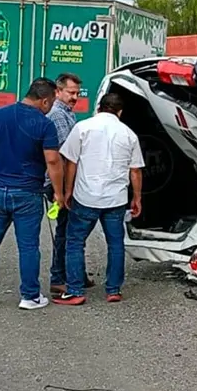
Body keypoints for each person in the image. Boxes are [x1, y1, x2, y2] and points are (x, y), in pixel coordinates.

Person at [0, 78, 65, 310]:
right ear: (44, 101)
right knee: (28, 246)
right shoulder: (44, 124)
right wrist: (59, 193)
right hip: (28, 192)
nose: (51, 107)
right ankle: (30, 296)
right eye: (52, 102)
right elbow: (53, 161)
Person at [53, 93, 144, 306]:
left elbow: (71, 162)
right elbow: (135, 171)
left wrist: (68, 191)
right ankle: (113, 290)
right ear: (120, 112)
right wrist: (137, 198)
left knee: (75, 242)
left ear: (99, 107)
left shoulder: (83, 128)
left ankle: (75, 290)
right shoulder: (129, 134)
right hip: (116, 199)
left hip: (86, 196)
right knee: (115, 244)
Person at [43, 73, 96, 294]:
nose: (75, 97)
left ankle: (74, 273)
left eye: (77, 93)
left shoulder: (67, 113)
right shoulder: (58, 115)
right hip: (61, 181)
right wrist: (66, 190)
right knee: (66, 231)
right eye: (71, 92)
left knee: (69, 229)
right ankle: (59, 276)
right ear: (58, 92)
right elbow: (64, 155)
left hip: (63, 181)